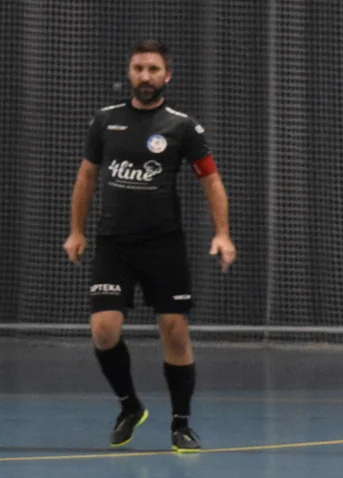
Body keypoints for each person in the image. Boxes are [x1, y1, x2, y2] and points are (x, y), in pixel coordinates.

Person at [64, 40, 236, 452]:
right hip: (114, 244)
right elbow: (87, 177)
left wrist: (222, 233)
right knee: (104, 332)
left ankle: (181, 423)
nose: (145, 76)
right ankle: (129, 406)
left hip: (164, 245)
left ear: (167, 76)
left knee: (174, 331)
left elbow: (211, 180)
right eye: (138, 68)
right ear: (130, 73)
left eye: (153, 69)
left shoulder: (182, 126)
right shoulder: (106, 122)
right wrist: (77, 231)